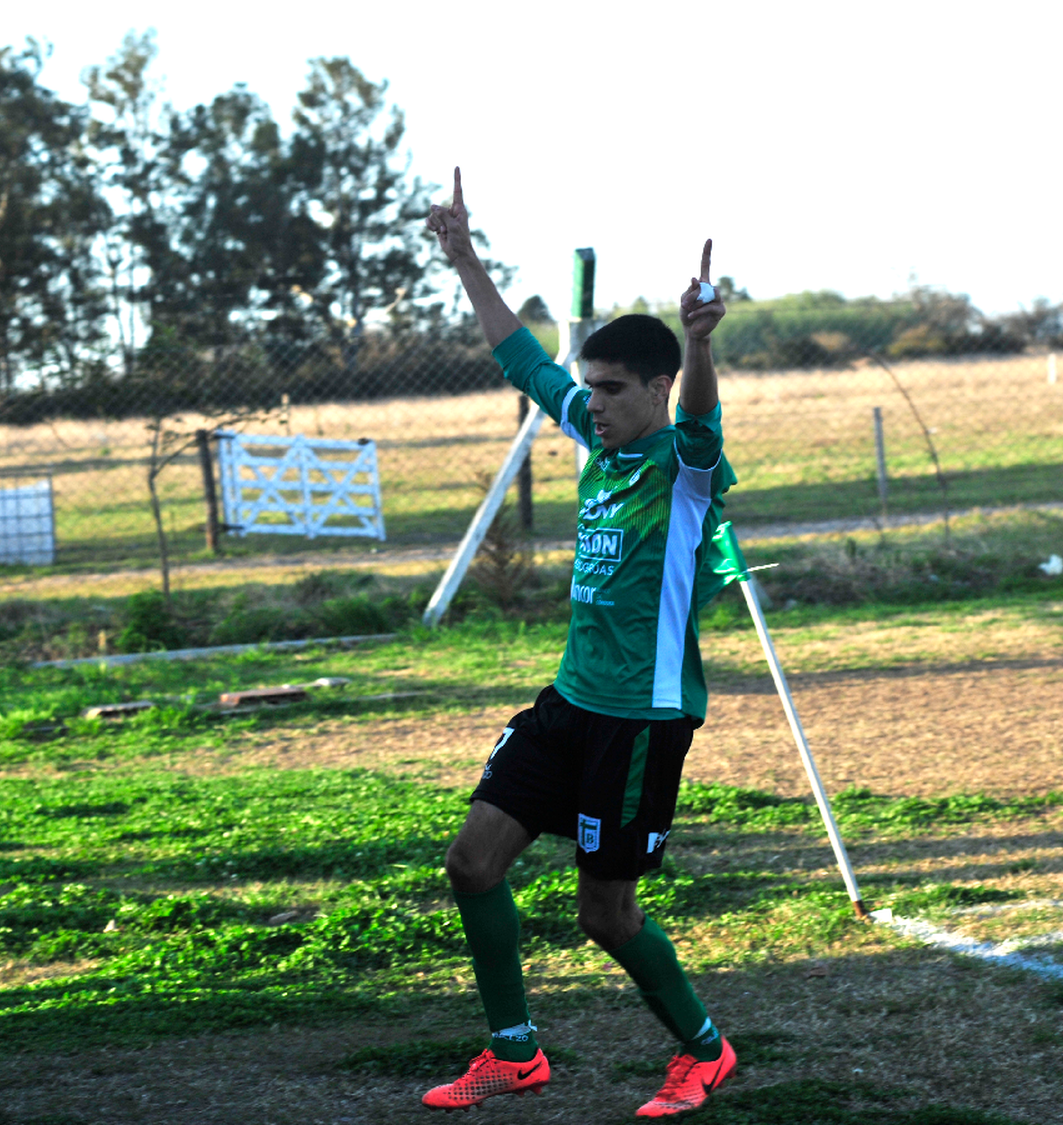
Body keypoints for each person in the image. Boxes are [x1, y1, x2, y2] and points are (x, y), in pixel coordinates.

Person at [422, 168, 737, 1118]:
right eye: (590, 388)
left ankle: (705, 1050)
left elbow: (701, 419)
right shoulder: (599, 444)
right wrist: (465, 257)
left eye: (611, 389)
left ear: (656, 388)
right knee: (472, 863)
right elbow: (523, 362)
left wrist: (695, 340)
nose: (592, 402)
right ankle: (513, 1054)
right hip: (569, 703)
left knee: (604, 912)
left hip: (642, 722)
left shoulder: (685, 469)